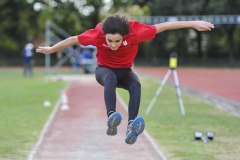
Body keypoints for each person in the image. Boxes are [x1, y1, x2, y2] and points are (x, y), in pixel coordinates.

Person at [36, 13, 214, 144]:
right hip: (104, 71)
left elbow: (164, 26)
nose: (113, 45)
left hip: (125, 71)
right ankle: (112, 117)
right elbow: (74, 39)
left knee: (136, 83)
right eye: (110, 41)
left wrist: (193, 23)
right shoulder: (97, 34)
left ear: (125, 36)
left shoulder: (136, 32)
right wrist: (52, 50)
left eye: (117, 41)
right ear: (104, 36)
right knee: (110, 77)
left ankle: (131, 126)